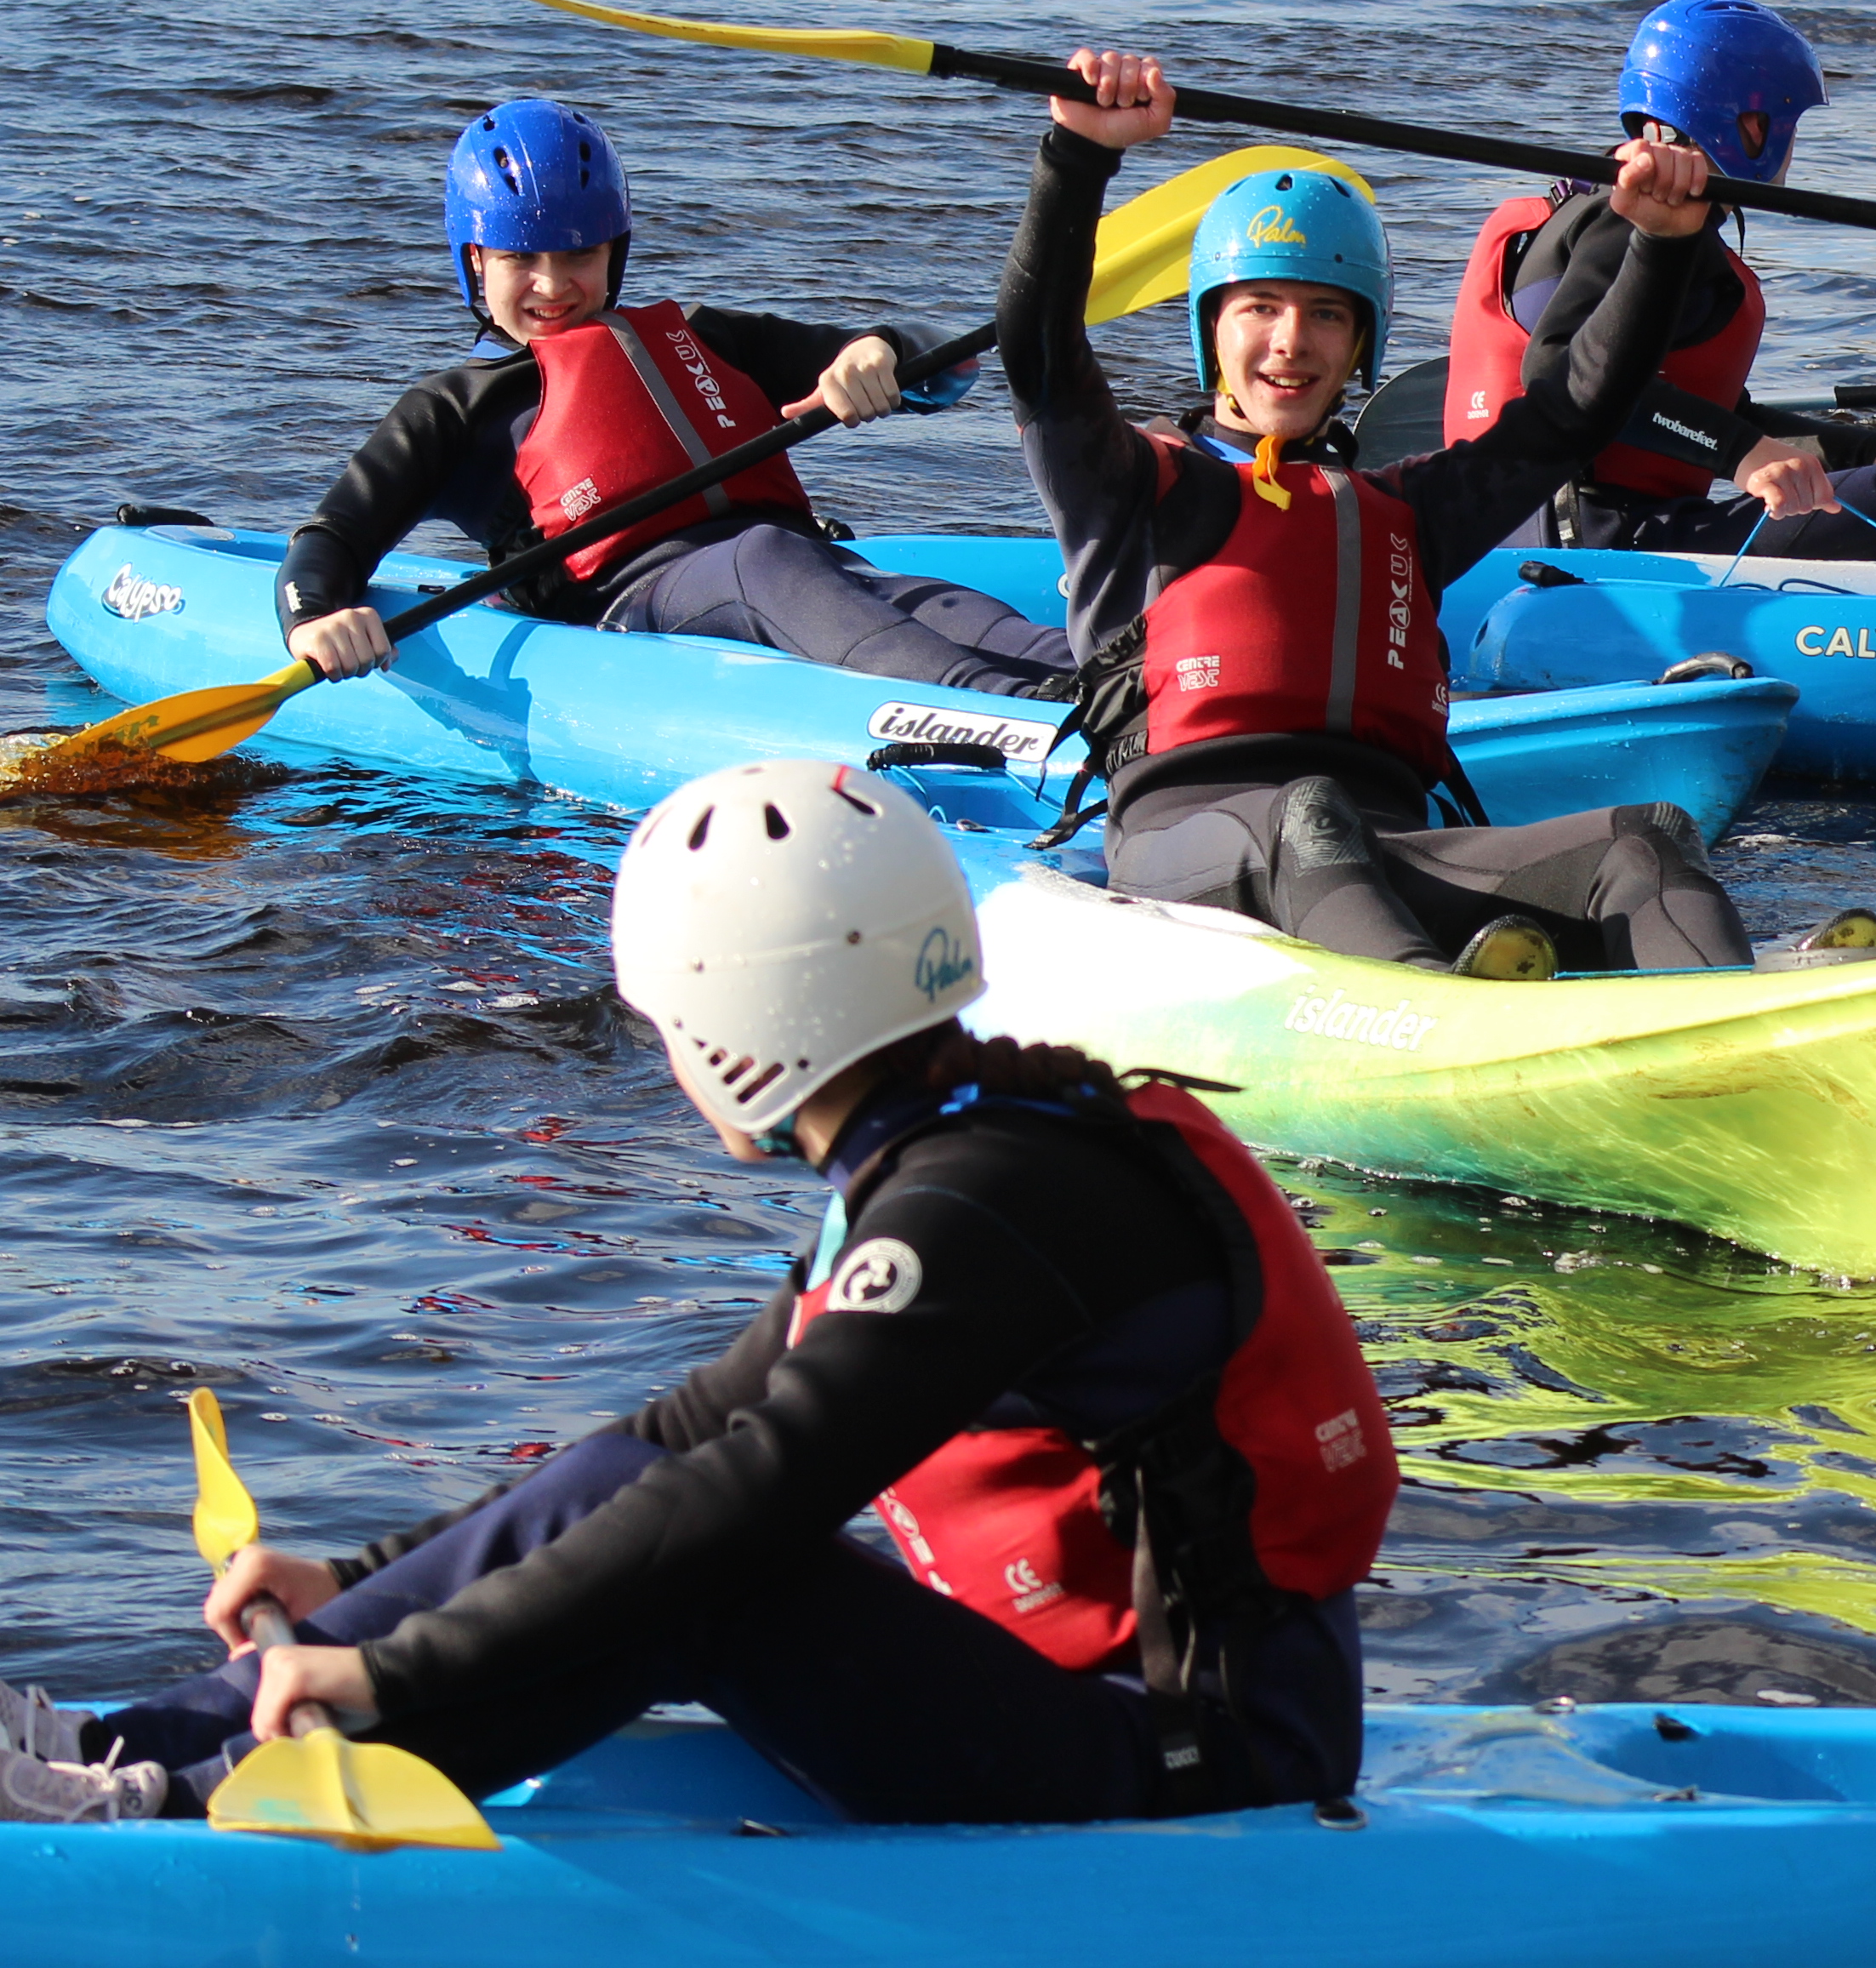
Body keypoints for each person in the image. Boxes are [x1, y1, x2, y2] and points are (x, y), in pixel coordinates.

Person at [0, 759, 1394, 1829]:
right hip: (1108, 1706)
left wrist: (397, 1673)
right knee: (631, 1474)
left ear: (743, 1025)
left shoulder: (980, 1207)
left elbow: (749, 1501)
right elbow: (673, 1441)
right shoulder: (954, 1157)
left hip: (1206, 1771)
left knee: (712, 1583)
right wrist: (353, 1587)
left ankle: (202, 1812)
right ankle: (126, 1743)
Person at [1005, 48, 1786, 980]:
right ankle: (1441, 1016)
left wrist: (1659, 241)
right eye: (1261, 307)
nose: (1292, 342)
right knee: (1307, 816)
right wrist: (1079, 154)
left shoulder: (1406, 511)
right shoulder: (1129, 487)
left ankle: (1736, 1040)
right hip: (1189, 851)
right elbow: (1040, 349)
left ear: (1361, 343)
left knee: (1646, 843)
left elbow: (1571, 414)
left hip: (1383, 848)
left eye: (1327, 315)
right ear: (1213, 330)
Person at [277, 99, 1075, 699]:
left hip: (799, 568)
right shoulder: (455, 407)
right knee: (764, 560)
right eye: (522, 259)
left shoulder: (701, 336)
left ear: (614, 252)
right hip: (629, 606)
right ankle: (1009, 711)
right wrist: (315, 616)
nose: (554, 285)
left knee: (908, 595)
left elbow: (943, 370)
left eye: (579, 255)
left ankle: (1127, 687)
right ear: (475, 261)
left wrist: (884, 352)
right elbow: (333, 538)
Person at [1436, 0, 1876, 566]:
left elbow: (1683, 408)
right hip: (1609, 551)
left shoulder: (1595, 217)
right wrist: (1742, 457)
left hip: (1574, 538)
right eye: (1788, 123)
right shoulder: (1633, 229)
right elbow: (1558, 375)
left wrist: (1853, 447)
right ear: (1749, 126)